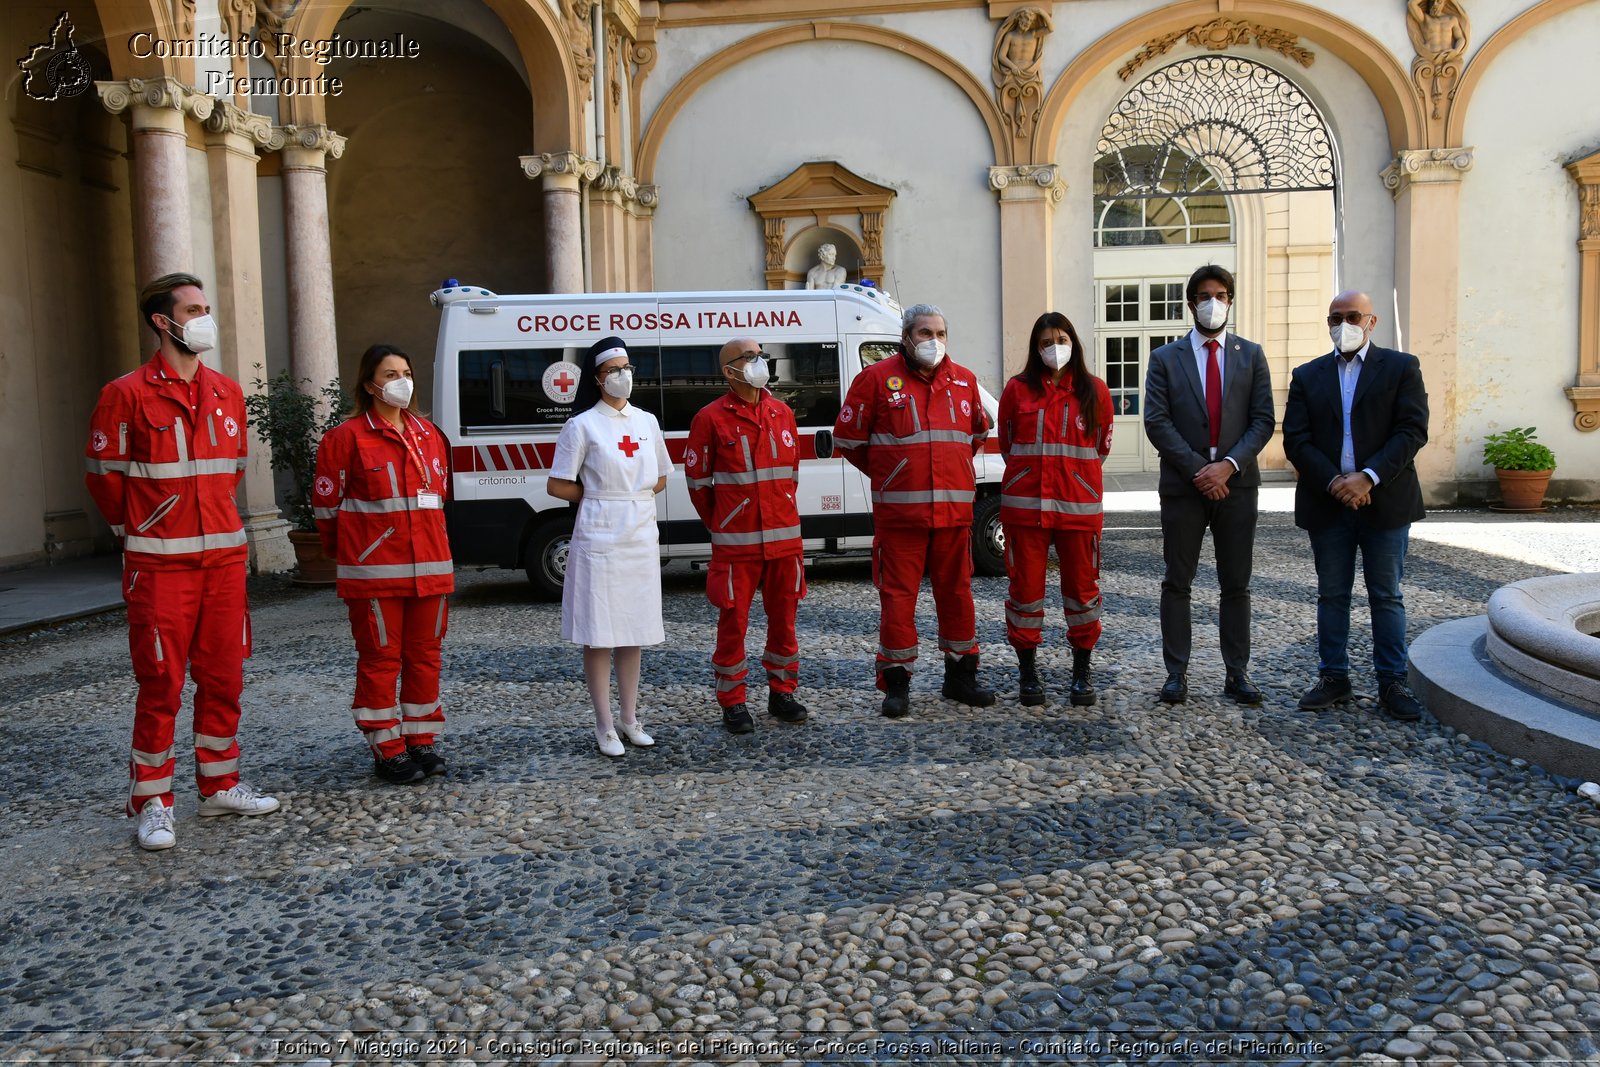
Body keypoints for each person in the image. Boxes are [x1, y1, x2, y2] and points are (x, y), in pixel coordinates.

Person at [84, 272, 279, 851]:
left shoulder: (226, 392)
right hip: (161, 566)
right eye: (193, 309)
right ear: (161, 321)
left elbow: (231, 472)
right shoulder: (126, 393)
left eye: (205, 307)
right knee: (161, 683)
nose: (204, 317)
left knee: (223, 677)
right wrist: (143, 528)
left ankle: (219, 786)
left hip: (221, 562)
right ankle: (153, 802)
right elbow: (105, 481)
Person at [834, 303, 994, 717]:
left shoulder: (964, 380)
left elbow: (976, 433)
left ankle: (961, 677)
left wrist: (950, 469)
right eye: (925, 333)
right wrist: (891, 473)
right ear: (906, 337)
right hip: (901, 519)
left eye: (940, 333)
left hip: (954, 517)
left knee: (957, 597)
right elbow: (849, 440)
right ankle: (897, 683)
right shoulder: (875, 379)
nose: (934, 341)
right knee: (898, 600)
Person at [1282, 290, 1430, 722]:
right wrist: (1334, 482)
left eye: (1352, 316)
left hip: (1385, 500)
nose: (1343, 325)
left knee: (1386, 595)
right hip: (1328, 503)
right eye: (1335, 318)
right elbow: (1297, 439)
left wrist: (1367, 477)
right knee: (1332, 595)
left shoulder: (1402, 367)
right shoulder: (1308, 375)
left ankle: (1392, 682)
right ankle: (1334, 677)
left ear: (1371, 320)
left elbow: (1411, 430)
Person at [313, 344, 454, 784]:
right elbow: (325, 510)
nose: (401, 381)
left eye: (406, 371)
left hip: (430, 569)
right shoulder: (345, 439)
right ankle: (386, 748)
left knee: (425, 657)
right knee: (380, 659)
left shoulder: (429, 435)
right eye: (390, 373)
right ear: (370, 383)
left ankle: (420, 740)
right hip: (375, 574)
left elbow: (439, 499)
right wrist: (356, 555)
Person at [1143, 265, 1276, 706]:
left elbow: (1263, 420)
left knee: (1236, 584)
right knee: (1177, 581)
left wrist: (1229, 466)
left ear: (1231, 300)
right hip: (1185, 486)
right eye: (1203, 295)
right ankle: (1176, 673)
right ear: (1190, 303)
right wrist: (1202, 469)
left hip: (1237, 486)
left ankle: (1237, 672)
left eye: (1219, 294)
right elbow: (1156, 420)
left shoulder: (1251, 355)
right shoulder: (1165, 358)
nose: (1211, 302)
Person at [548, 336, 671, 757]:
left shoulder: (647, 421)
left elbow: (661, 476)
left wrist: (630, 496)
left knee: (633, 630)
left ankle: (631, 718)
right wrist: (600, 496)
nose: (623, 376)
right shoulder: (581, 425)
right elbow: (557, 482)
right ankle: (604, 725)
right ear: (598, 379)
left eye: (627, 368)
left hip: (638, 531)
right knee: (600, 633)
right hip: (600, 532)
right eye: (614, 370)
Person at [684, 338, 809, 733]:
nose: (759, 362)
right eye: (749, 357)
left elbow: (791, 474)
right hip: (737, 546)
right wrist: (725, 522)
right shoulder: (710, 418)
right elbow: (699, 484)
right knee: (733, 624)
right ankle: (733, 701)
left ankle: (782, 692)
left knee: (784, 622)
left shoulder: (782, 412)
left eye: (760, 356)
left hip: (784, 542)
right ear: (729, 370)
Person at [998, 312, 1113, 707]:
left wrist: (1075, 480)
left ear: (1074, 342)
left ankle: (1082, 672)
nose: (1054, 348)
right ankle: (1028, 673)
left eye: (1061, 339)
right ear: (1035, 348)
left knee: (1082, 593)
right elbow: (1008, 444)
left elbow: (1100, 448)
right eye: (1046, 342)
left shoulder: (1095, 391)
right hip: (1025, 509)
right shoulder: (1017, 390)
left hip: (1078, 509)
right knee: (1025, 593)